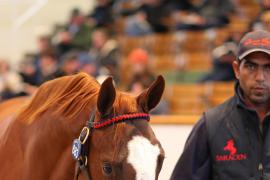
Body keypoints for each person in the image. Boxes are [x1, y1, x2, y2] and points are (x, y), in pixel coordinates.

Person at [170, 30, 270, 179]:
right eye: (251, 67)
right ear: (236, 69)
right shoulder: (211, 125)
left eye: (268, 68)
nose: (260, 77)